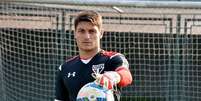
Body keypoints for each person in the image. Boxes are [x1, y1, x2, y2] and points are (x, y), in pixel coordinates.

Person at [55, 10, 133, 101]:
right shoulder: (65, 68)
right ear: (75, 33)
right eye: (81, 31)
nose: (87, 36)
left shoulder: (112, 59)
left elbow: (126, 75)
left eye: (92, 31)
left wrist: (113, 76)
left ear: (101, 33)